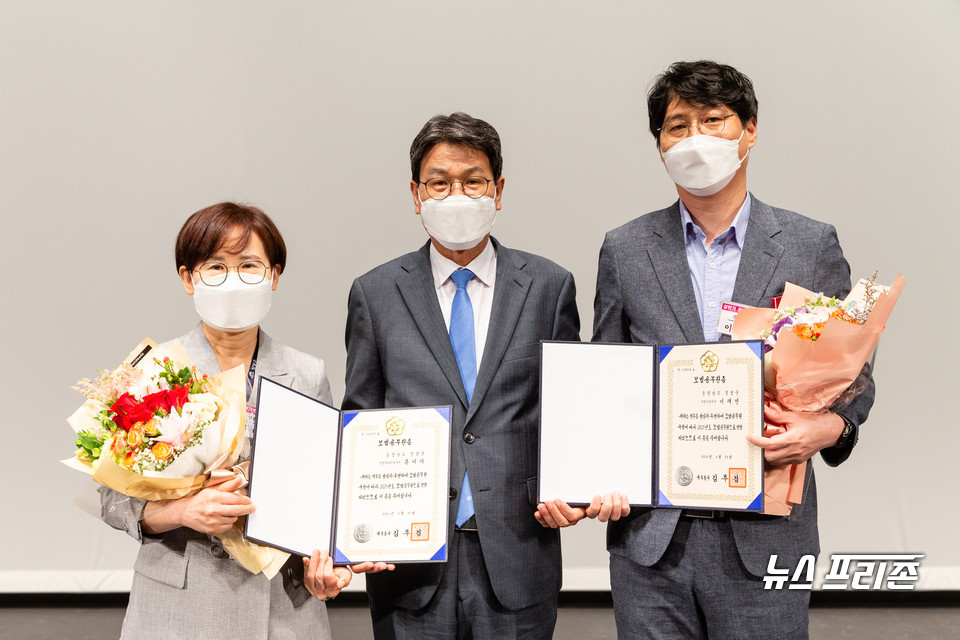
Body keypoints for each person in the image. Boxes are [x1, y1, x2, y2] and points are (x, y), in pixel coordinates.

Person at [592, 61, 876, 639]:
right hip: (652, 543)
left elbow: (854, 377)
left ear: (750, 131)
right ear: (659, 145)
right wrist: (594, 472)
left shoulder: (808, 244)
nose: (694, 138)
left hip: (767, 534)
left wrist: (828, 429)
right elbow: (605, 378)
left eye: (713, 120)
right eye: (677, 126)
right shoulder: (623, 249)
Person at [343, 112, 581, 639]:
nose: (457, 195)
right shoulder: (376, 293)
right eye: (440, 182)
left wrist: (575, 488)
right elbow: (360, 416)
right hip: (407, 559)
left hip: (518, 549)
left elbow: (567, 412)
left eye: (473, 181)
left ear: (497, 190)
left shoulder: (548, 286)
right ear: (415, 193)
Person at [99, 202, 350, 639]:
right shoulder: (152, 369)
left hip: (283, 610)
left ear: (274, 275)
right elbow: (112, 499)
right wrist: (182, 509)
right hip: (179, 607)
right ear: (187, 278)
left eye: (249, 265)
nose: (233, 280)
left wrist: (325, 566)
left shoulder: (308, 372)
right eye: (215, 266)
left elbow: (323, 495)